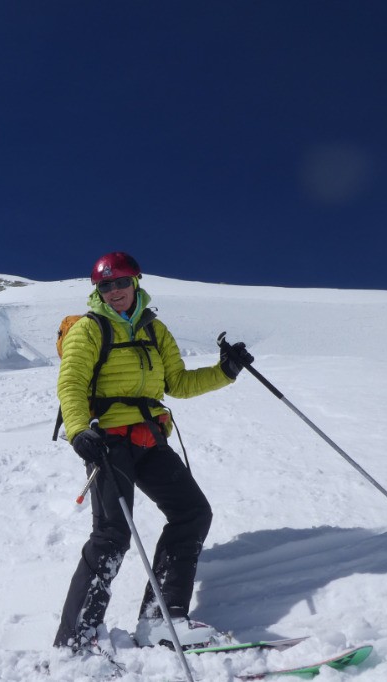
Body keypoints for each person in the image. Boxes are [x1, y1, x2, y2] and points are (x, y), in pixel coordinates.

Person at [53, 251, 252, 654]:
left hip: (148, 437)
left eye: (121, 282)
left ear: (136, 282)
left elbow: (177, 382)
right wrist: (77, 431)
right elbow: (71, 382)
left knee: (192, 512)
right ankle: (76, 641)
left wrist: (226, 372)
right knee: (111, 535)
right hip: (106, 441)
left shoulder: (155, 330)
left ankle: (162, 619)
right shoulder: (89, 330)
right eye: (105, 286)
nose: (114, 292)